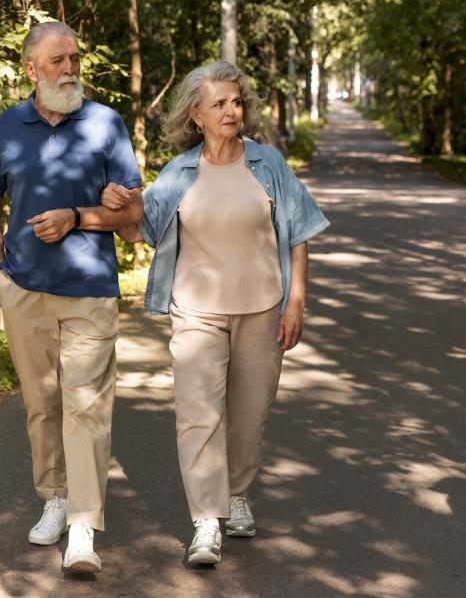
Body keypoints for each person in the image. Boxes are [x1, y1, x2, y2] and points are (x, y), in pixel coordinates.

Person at [102, 61, 329, 565]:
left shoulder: (267, 163)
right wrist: (119, 204)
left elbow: (298, 235)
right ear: (196, 115)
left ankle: (237, 494)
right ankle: (206, 520)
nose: (232, 110)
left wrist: (296, 303)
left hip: (263, 309)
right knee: (198, 414)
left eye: (236, 101)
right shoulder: (180, 171)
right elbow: (139, 229)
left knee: (250, 415)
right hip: (197, 312)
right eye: (219, 103)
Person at [0, 21, 144, 573]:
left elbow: (133, 218)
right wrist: (0, 268)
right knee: (41, 405)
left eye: (75, 58)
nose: (71, 68)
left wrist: (81, 216)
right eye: (58, 60)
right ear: (31, 69)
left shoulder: (105, 124)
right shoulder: (4, 128)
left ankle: (82, 529)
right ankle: (55, 498)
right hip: (23, 291)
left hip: (89, 290)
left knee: (87, 407)